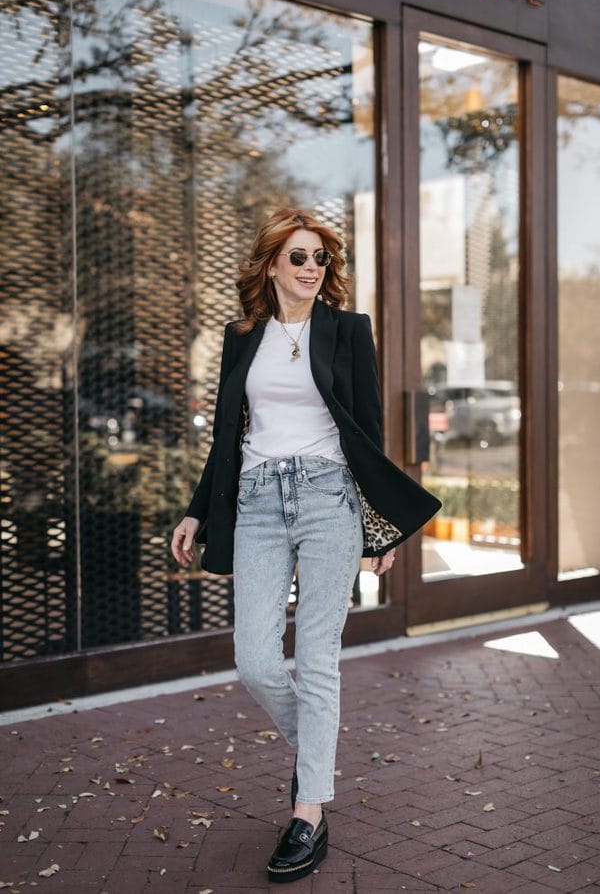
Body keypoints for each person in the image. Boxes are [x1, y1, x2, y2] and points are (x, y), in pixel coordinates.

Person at [171, 208, 441, 883]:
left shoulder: (349, 332)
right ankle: (312, 751)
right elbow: (226, 438)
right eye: (298, 257)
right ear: (270, 266)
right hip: (258, 502)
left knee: (317, 659)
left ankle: (308, 812)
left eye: (319, 258)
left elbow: (369, 432)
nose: (311, 268)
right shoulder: (243, 339)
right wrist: (197, 513)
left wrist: (381, 528)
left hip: (329, 501)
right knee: (256, 659)